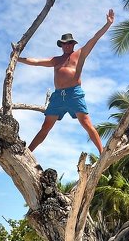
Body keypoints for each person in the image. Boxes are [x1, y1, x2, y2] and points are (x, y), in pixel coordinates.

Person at [17, 9, 114, 154]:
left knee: (86, 123)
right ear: (61, 45)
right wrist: (17, 58)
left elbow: (94, 38)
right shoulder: (56, 60)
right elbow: (36, 61)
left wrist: (108, 24)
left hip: (74, 93)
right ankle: (28, 153)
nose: (67, 45)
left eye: (69, 43)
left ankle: (102, 152)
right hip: (58, 96)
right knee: (46, 127)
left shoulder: (79, 54)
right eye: (64, 43)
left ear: (73, 44)